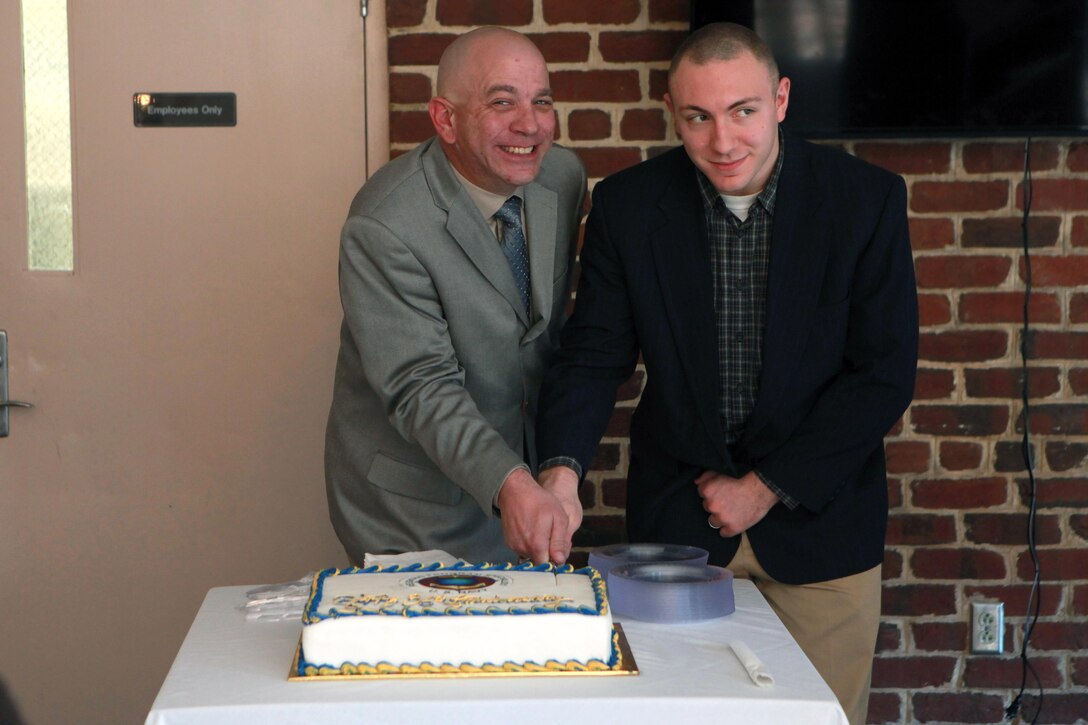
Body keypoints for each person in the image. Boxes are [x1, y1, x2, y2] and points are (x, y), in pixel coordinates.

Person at [535, 22, 918, 725]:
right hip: (675, 529)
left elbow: (882, 374)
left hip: (823, 533)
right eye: (698, 118)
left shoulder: (865, 200)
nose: (723, 141)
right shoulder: (627, 206)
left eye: (742, 111)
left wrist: (765, 488)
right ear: (673, 114)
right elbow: (594, 355)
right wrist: (560, 472)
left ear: (780, 98)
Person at [324, 27, 587, 567]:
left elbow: (535, 334)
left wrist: (549, 473)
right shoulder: (385, 224)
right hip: (412, 510)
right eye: (501, 102)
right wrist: (511, 483)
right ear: (445, 118)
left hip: (527, 495)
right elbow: (421, 386)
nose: (530, 124)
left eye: (542, 101)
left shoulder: (560, 175)